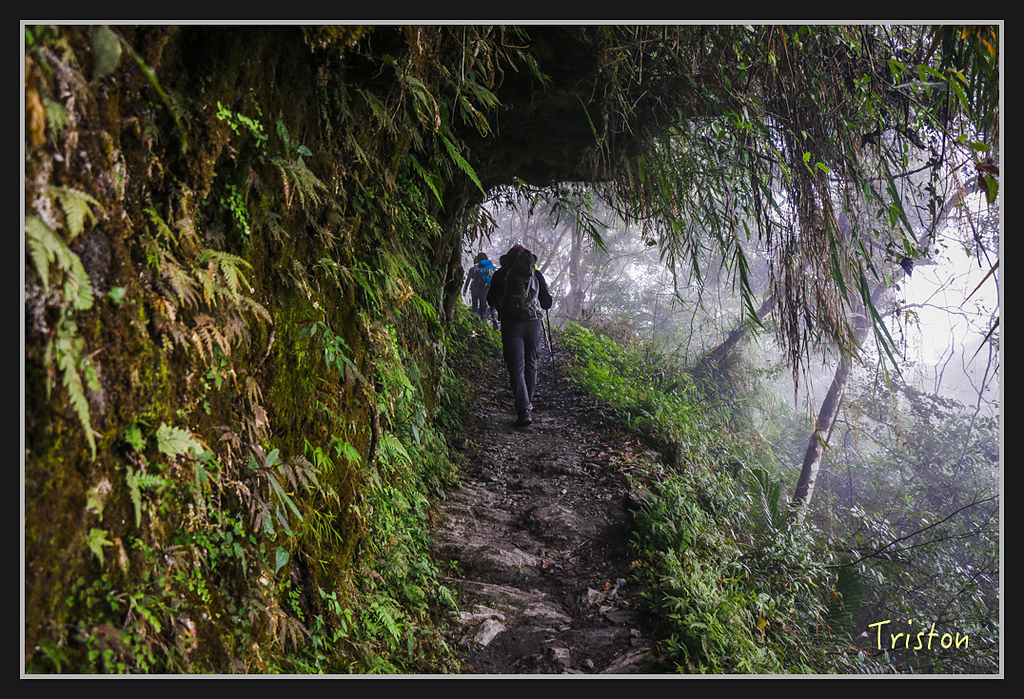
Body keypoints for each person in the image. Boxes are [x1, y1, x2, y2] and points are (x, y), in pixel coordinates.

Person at [487, 245, 553, 427]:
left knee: (516, 367)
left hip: (511, 324)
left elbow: (490, 299)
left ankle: (523, 408)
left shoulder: (501, 274)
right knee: (531, 364)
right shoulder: (535, 274)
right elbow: (546, 303)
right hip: (533, 324)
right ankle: (527, 405)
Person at [463, 252, 495, 321]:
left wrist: (465, 290)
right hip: (486, 289)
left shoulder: (473, 269)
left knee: (475, 304)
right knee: (483, 303)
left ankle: (475, 319)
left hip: (475, 288)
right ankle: (485, 318)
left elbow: (468, 280)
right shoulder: (489, 269)